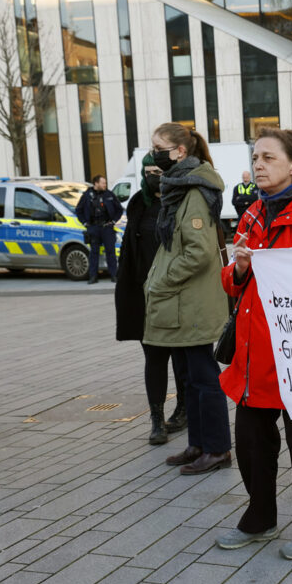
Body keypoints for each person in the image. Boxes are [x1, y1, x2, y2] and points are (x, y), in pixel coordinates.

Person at [216, 127, 292, 560]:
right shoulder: (253, 214)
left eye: (269, 158)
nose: (259, 164)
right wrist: (241, 268)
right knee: (251, 443)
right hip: (252, 355)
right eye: (255, 158)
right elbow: (232, 286)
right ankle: (260, 518)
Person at [143, 122, 232, 475]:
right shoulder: (178, 188)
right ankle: (198, 444)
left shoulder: (193, 192)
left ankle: (218, 448)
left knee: (203, 378)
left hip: (190, 302)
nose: (154, 154)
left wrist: (162, 280)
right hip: (180, 302)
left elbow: (198, 253)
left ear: (180, 152)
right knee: (190, 379)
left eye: (159, 148)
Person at [113, 153, 187, 446]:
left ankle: (183, 410)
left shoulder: (180, 203)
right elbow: (129, 249)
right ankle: (157, 419)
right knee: (154, 359)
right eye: (147, 171)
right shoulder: (137, 204)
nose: (152, 176)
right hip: (146, 295)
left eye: (157, 170)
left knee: (181, 360)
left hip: (177, 294)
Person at [74, 175, 122, 284]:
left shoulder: (109, 194)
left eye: (105, 183)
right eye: (103, 183)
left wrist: (113, 221)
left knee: (110, 252)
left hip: (107, 227)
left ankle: (114, 275)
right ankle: (93, 277)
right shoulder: (87, 195)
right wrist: (85, 223)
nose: (105, 185)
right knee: (93, 253)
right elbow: (79, 210)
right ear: (96, 183)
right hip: (93, 228)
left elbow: (119, 209)